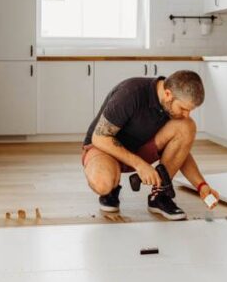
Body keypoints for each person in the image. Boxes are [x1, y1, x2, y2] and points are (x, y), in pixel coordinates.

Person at [81, 70, 219, 220]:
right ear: (167, 94)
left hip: (138, 148)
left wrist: (201, 186)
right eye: (184, 109)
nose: (186, 114)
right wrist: (140, 165)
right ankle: (111, 189)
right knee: (103, 183)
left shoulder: (170, 107)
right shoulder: (130, 93)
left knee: (187, 126)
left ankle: (159, 197)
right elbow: (99, 138)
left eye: (190, 110)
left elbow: (180, 152)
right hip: (104, 148)